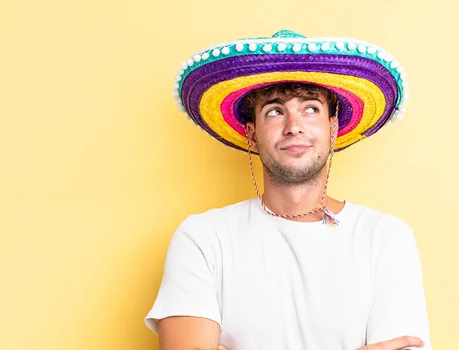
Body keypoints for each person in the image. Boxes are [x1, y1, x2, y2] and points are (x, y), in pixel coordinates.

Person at [145, 29, 432, 350]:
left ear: (333, 128)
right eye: (275, 111)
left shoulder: (385, 237)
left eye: (310, 109)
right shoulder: (203, 237)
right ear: (251, 135)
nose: (294, 126)